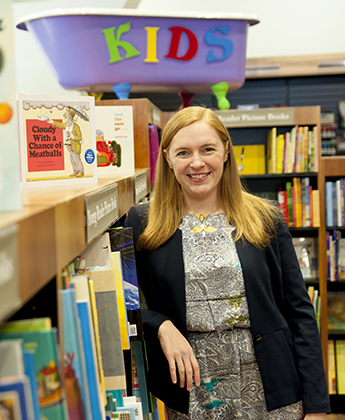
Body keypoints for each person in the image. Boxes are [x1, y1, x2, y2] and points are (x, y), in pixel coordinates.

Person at [124, 107, 329, 419]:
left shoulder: (266, 217)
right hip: (191, 392)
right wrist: (160, 325)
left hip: (272, 391)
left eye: (208, 149)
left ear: (226, 151)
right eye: (183, 152)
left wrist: (317, 407)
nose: (197, 162)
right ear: (167, 158)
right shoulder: (142, 222)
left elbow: (299, 313)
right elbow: (123, 303)